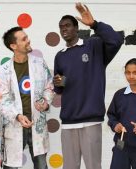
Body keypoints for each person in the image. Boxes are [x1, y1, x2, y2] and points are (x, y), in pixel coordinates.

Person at [53, 3, 123, 169]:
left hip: (91, 120)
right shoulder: (60, 56)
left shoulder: (94, 45)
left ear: (77, 28)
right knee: (70, 167)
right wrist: (58, 84)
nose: (64, 29)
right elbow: (59, 89)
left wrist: (94, 24)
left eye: (68, 25)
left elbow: (116, 40)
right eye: (61, 27)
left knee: (93, 166)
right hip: (68, 122)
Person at [0, 26, 54, 169]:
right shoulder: (3, 71)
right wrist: (18, 116)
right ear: (13, 46)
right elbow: (0, 100)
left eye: (27, 37)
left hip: (37, 125)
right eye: (24, 39)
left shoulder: (39, 63)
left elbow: (49, 86)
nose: (29, 40)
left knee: (41, 165)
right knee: (10, 166)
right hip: (14, 125)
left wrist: (45, 103)